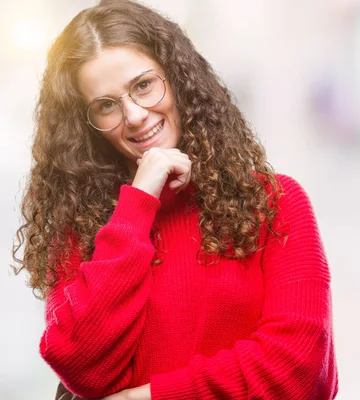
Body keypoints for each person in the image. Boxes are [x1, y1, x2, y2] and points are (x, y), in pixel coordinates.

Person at [12, 0, 338, 399]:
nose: (134, 116)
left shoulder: (275, 203)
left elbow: (298, 367)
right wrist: (139, 201)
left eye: (143, 85)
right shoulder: (80, 224)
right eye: (107, 105)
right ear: (88, 125)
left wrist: (145, 397)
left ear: (179, 80)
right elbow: (82, 368)